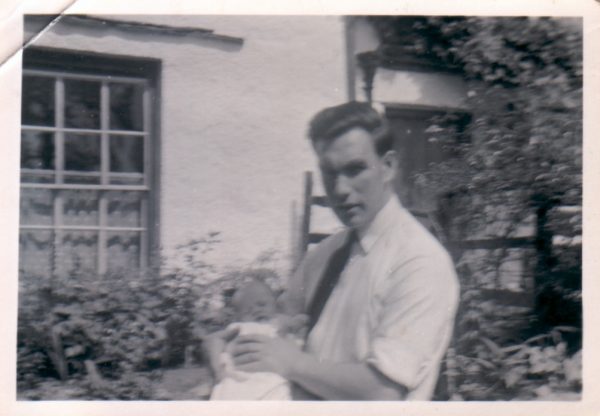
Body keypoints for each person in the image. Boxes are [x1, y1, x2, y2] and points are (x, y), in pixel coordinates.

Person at [229, 101, 460, 400]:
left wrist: (292, 362)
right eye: (329, 173)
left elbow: (381, 392)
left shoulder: (419, 262)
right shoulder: (324, 255)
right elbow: (274, 330)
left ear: (388, 166)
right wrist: (221, 349)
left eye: (355, 170)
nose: (340, 189)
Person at [207, 279, 307, 400]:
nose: (256, 310)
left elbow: (301, 321)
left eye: (262, 304)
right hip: (237, 380)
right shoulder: (237, 328)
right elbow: (216, 341)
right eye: (248, 310)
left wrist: (298, 321)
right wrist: (217, 368)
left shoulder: (280, 322)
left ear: (275, 305)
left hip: (272, 381)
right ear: (239, 316)